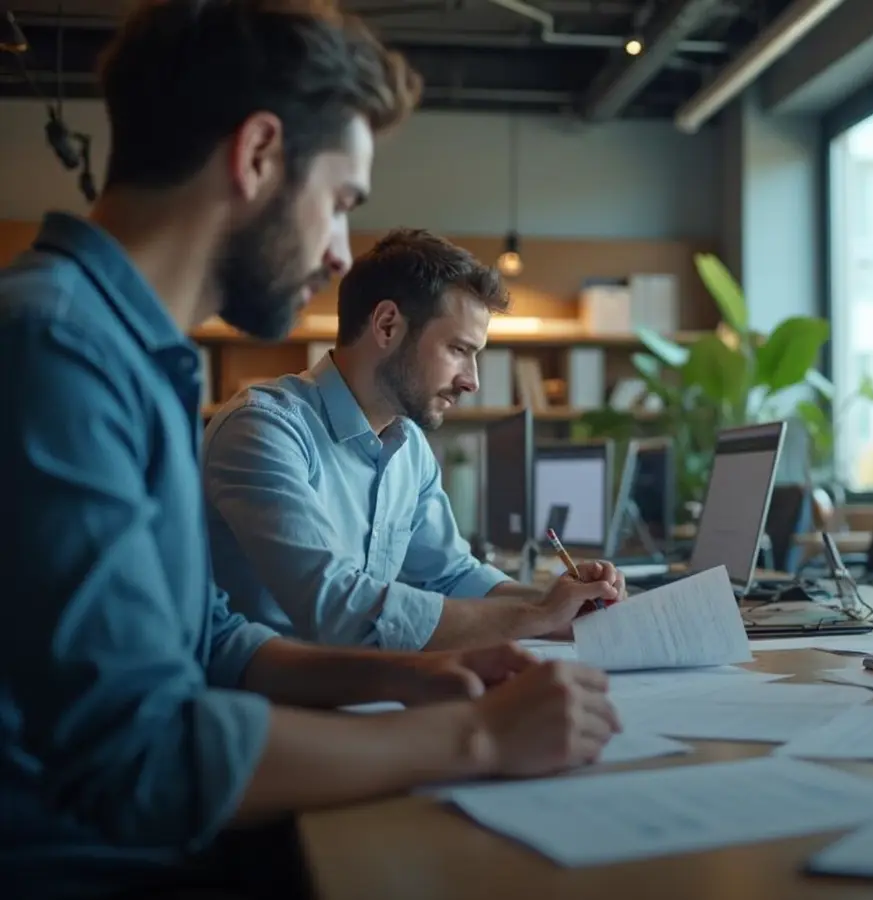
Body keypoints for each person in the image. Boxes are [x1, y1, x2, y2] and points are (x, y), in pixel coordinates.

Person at [0, 3, 618, 898]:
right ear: (256, 155)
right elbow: (136, 761)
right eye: (340, 203)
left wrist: (428, 676)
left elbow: (206, 640)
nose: (337, 255)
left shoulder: (127, 352)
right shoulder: (54, 348)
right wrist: (476, 736)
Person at [202, 228, 621, 651]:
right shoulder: (264, 430)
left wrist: (564, 602)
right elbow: (334, 610)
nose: (472, 381)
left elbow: (451, 576)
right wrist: (537, 616)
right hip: (269, 702)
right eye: (458, 349)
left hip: (362, 690)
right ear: (387, 325)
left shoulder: (409, 446)